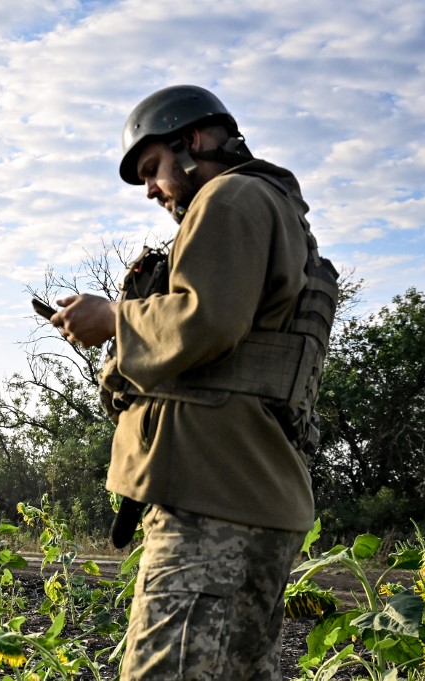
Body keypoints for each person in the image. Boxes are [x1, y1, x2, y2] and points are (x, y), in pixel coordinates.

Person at [49, 85, 336, 679]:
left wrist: (113, 319)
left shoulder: (229, 198)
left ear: (194, 140)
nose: (151, 190)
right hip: (244, 496)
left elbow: (205, 318)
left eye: (151, 168)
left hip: (213, 508)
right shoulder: (269, 206)